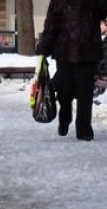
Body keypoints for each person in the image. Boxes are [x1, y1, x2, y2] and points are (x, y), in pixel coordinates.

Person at [36, 0, 107, 141]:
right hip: (64, 51)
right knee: (64, 88)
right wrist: (44, 47)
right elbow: (51, 25)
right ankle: (65, 117)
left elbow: (103, 11)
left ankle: (84, 129)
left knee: (85, 92)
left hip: (88, 51)